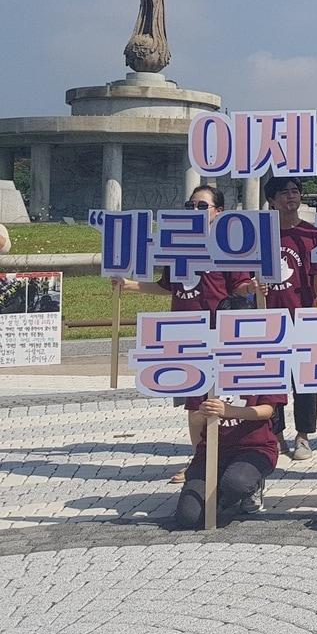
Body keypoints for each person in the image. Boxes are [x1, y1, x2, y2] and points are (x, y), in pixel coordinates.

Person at [113, 185, 254, 484]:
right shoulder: (178, 244)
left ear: (219, 212)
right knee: (194, 405)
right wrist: (130, 285)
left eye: (202, 207)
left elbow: (239, 286)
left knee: (218, 401)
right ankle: (200, 461)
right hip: (185, 333)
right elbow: (168, 286)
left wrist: (254, 287)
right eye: (190, 206)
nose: (194, 212)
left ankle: (227, 457)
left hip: (219, 332)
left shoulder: (229, 245)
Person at [255, 175, 317, 462]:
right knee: (271, 381)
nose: (291, 196)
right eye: (283, 193)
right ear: (271, 200)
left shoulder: (313, 236)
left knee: (304, 381)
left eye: (295, 191)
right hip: (268, 318)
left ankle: (304, 436)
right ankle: (275, 435)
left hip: (302, 317)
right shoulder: (262, 236)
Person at [173, 386, 284, 528]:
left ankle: (248, 488)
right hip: (213, 449)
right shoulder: (205, 371)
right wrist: (204, 413)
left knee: (237, 483)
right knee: (189, 517)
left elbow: (267, 410)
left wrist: (228, 411)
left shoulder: (261, 367)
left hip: (254, 447)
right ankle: (219, 492)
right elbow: (194, 419)